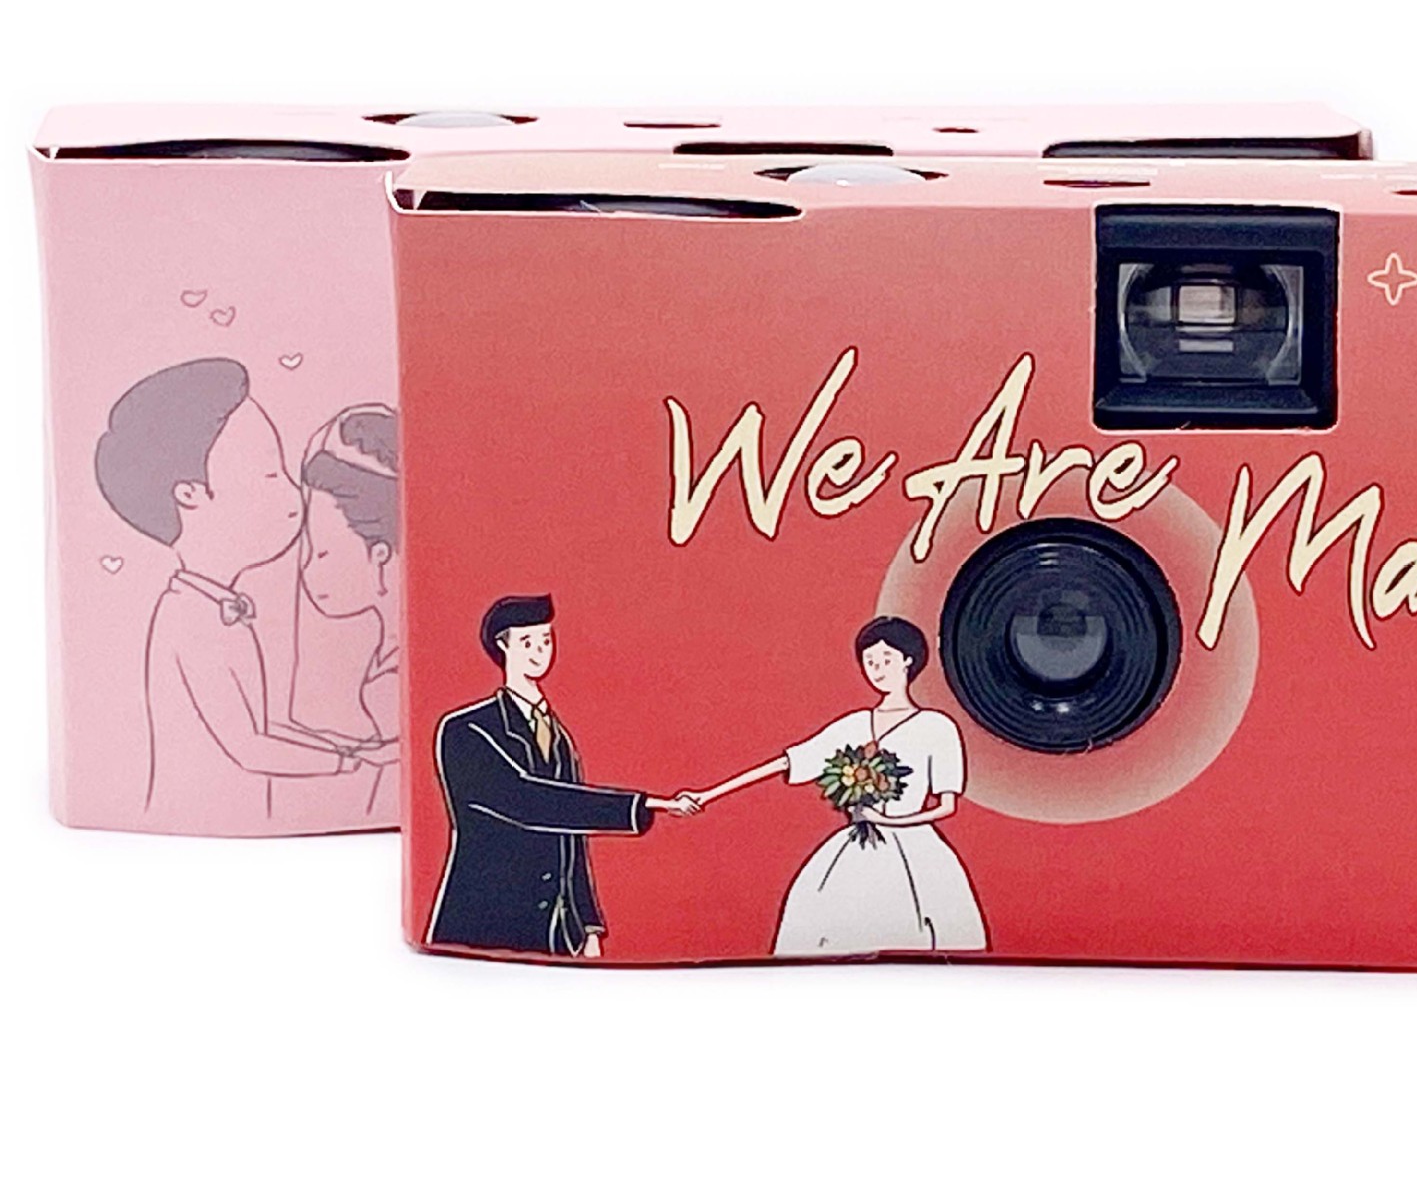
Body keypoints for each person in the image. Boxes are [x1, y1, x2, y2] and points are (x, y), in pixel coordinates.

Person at [95, 358, 364, 826]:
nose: (294, 494)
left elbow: (265, 725)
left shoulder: (222, 608)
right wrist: (343, 763)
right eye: (269, 474)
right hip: (183, 826)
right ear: (191, 494)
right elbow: (248, 747)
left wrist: (349, 747)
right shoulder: (189, 619)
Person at [688, 616, 987, 956]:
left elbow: (946, 806)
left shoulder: (936, 727)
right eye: (870, 661)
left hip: (917, 848)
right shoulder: (855, 725)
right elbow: (790, 761)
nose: (877, 669)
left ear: (908, 660)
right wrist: (707, 795)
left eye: (886, 659)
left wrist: (889, 820)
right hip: (857, 844)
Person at [428, 595, 697, 958]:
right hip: (484, 921)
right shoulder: (466, 730)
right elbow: (526, 801)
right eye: (527, 642)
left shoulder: (560, 738)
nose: (540, 651)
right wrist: (644, 804)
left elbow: (572, 837)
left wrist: (589, 927)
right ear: (502, 648)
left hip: (554, 931)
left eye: (546, 639)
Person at [300, 405, 401, 807]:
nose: (306, 569)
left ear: (379, 553)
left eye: (321, 552)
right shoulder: (389, 654)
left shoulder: (390, 680)